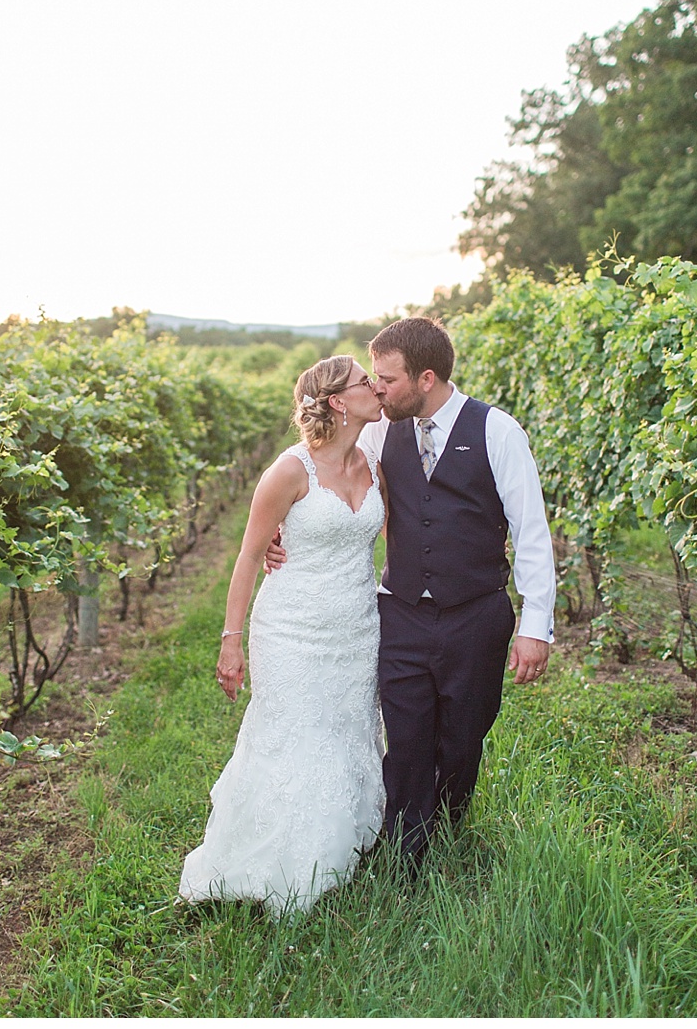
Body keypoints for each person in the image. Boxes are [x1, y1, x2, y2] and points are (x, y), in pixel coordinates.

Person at [267, 316, 556, 872]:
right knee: (405, 734)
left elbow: (531, 532)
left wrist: (534, 625)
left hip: (476, 613)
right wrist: (283, 526)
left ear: (426, 378)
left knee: (462, 736)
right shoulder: (378, 430)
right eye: (371, 378)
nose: (376, 389)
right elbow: (319, 463)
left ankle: (447, 833)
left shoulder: (498, 432)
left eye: (387, 379)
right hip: (399, 611)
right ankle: (403, 853)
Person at [179, 354, 388, 917]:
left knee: (346, 732)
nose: (376, 386)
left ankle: (338, 847)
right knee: (293, 735)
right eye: (364, 381)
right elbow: (249, 556)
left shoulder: (375, 459)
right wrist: (230, 639)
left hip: (357, 628)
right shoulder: (290, 472)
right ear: (339, 402)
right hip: (292, 631)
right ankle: (277, 864)